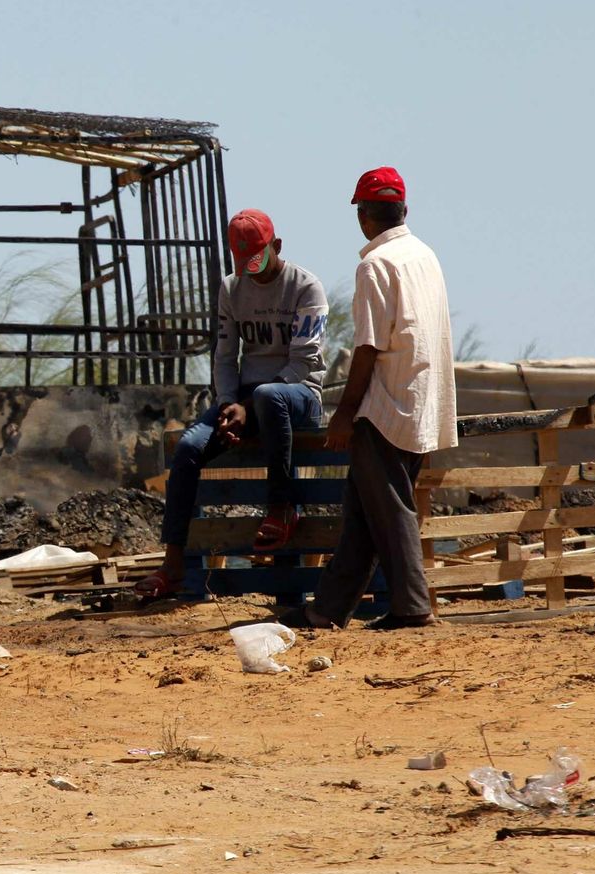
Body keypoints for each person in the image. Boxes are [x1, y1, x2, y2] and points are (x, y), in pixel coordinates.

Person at [285, 166, 457, 630]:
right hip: (421, 403)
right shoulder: (424, 255)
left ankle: (412, 608)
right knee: (365, 511)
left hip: (384, 407)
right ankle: (327, 610)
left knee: (390, 509)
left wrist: (344, 412)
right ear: (404, 209)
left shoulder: (375, 265)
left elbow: (368, 346)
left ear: (363, 216)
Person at [136, 209, 328, 598]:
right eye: (243, 262)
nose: (251, 270)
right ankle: (173, 564)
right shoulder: (232, 288)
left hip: (299, 393)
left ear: (276, 246)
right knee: (189, 447)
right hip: (247, 400)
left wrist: (248, 405)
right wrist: (227, 405)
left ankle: (282, 508)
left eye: (257, 258)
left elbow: (303, 362)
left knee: (268, 395)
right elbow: (224, 358)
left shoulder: (306, 288)